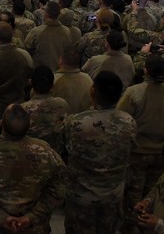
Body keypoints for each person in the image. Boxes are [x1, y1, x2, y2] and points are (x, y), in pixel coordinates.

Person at [0, 103, 67, 234]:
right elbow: (59, 187)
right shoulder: (44, 151)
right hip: (33, 228)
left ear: (1, 123)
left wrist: (0, 217)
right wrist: (31, 217)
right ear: (29, 125)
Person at [62, 70, 137, 234]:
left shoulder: (77, 122)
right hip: (113, 196)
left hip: (82, 197)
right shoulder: (128, 122)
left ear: (93, 91)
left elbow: (64, 150)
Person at [116, 54, 164, 232]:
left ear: (145, 70)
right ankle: (148, 226)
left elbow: (120, 119)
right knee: (153, 195)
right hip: (161, 153)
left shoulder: (134, 92)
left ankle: (130, 228)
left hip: (138, 153)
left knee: (133, 197)